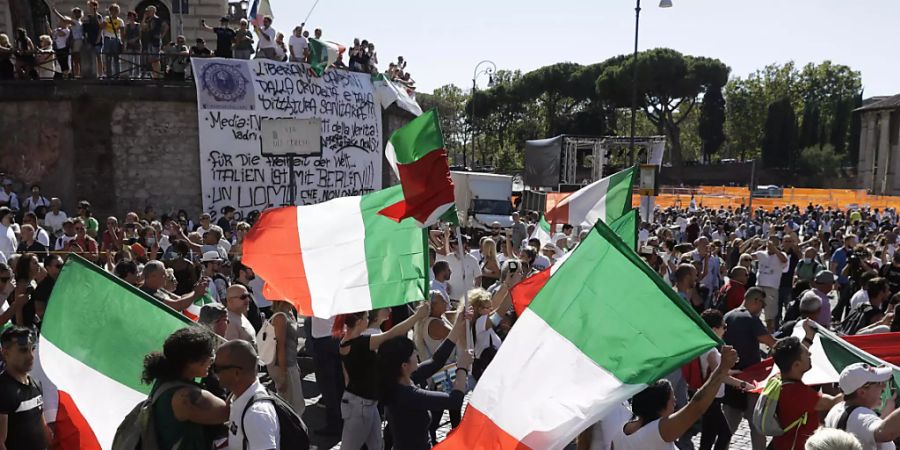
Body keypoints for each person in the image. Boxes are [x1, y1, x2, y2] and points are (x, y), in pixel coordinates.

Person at [335, 302, 431, 449]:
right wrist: (417, 316)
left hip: (366, 402)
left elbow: (346, 375)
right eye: (367, 317)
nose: (369, 320)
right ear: (360, 322)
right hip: (359, 404)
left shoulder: (347, 341)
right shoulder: (360, 343)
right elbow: (392, 334)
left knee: (378, 446)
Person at [378, 310, 473, 450]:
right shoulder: (408, 395)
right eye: (412, 353)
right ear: (404, 366)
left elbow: (437, 360)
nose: (416, 354)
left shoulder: (400, 380)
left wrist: (458, 325)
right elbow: (454, 401)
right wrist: (462, 368)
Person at [612, 346, 738, 450]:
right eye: (672, 400)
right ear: (659, 406)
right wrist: (722, 369)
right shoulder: (658, 431)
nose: (675, 403)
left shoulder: (621, 432)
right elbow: (696, 406)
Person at [141, 327, 228, 450]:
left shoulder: (165, 381)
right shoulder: (186, 395)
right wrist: (222, 376)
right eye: (209, 355)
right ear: (191, 361)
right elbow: (226, 412)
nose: (212, 360)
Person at [770, 322, 843, 450]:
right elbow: (832, 402)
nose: (810, 355)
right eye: (806, 354)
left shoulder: (778, 378)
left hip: (782, 444)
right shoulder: (797, 393)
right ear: (796, 365)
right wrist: (860, 382)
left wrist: (809, 337)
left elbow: (795, 355)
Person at [721, 287, 776, 450]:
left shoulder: (728, 316)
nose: (762, 309)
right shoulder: (751, 318)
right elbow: (769, 341)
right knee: (756, 425)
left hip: (730, 379)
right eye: (762, 305)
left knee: (728, 425)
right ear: (756, 301)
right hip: (751, 381)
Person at [214, 340, 280, 450]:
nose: (214, 373)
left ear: (236, 373)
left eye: (217, 369)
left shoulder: (256, 414)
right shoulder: (240, 396)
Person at [823, 362, 900, 450]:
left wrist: (885, 415)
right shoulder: (859, 415)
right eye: (879, 383)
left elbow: (862, 429)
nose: (884, 386)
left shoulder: (836, 409)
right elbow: (885, 433)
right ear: (862, 392)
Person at [0, 327, 51, 450]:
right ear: (6, 353)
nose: (31, 356)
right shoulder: (3, 390)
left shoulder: (36, 384)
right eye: (23, 351)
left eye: (32, 349)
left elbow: (42, 425)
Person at [266, 300, 304, 415]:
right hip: (284, 365)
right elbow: (280, 347)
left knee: (296, 405)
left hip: (291, 363)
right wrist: (283, 375)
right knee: (292, 407)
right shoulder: (280, 317)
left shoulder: (289, 312)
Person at [752, 236, 789, 332]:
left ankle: (770, 335)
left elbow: (784, 260)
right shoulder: (761, 253)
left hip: (771, 288)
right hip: (759, 286)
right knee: (754, 311)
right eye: (770, 243)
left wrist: (775, 250)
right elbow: (748, 256)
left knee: (770, 315)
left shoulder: (781, 254)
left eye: (774, 243)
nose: (771, 245)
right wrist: (755, 246)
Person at [140, 6, 168, 79]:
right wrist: (144, 18)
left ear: (153, 11)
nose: (147, 13)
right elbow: (143, 27)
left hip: (156, 41)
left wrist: (161, 36)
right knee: (152, 59)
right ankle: (155, 74)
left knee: (156, 59)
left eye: (149, 11)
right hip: (149, 40)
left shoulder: (158, 19)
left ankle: (157, 75)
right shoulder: (149, 20)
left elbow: (166, 27)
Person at [101, 3, 124, 78]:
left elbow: (122, 33)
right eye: (113, 11)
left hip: (116, 39)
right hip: (107, 38)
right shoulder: (106, 18)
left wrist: (123, 43)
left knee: (116, 58)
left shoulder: (120, 21)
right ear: (110, 11)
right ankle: (109, 75)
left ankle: (117, 75)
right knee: (108, 58)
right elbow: (102, 26)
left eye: (116, 11)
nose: (114, 12)